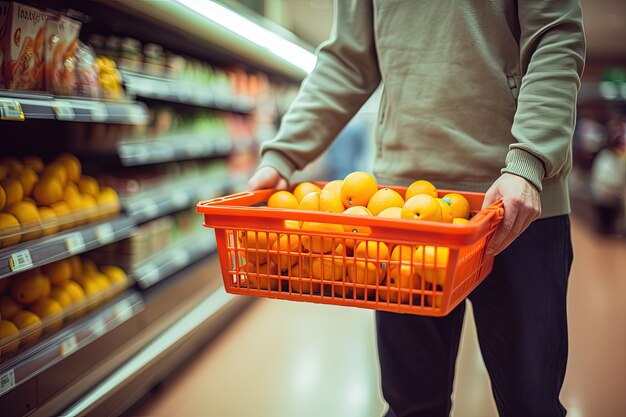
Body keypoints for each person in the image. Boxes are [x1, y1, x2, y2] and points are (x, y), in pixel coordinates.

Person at [248, 1, 585, 416]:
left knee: (531, 405)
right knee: (412, 407)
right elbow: (348, 61)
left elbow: (555, 33)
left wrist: (530, 159)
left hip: (516, 202)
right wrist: (282, 155)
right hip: (402, 215)